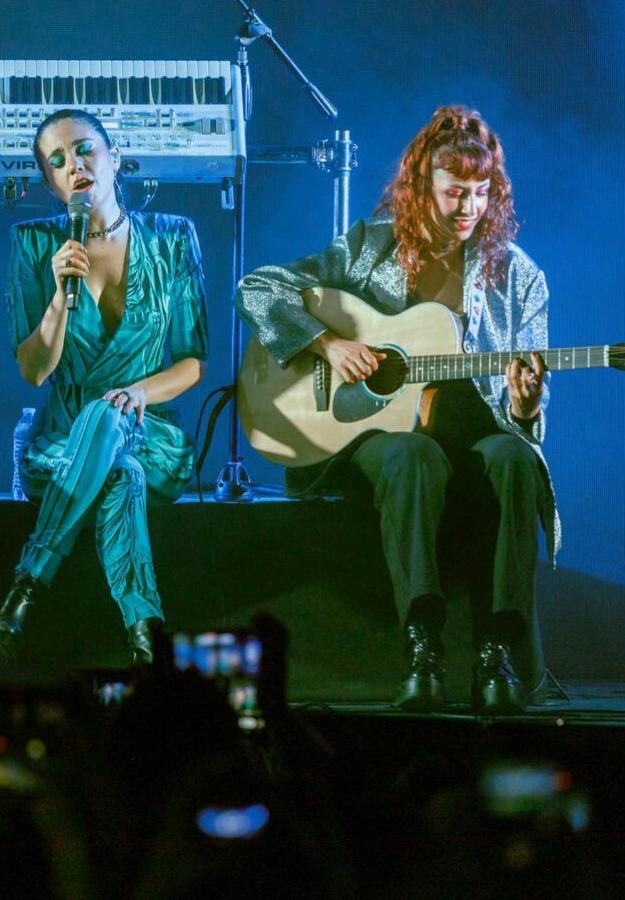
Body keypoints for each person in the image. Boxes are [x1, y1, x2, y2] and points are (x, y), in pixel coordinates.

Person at [235, 105, 556, 714]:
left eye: (481, 194)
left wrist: (526, 403)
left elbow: (528, 415)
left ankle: (497, 654)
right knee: (413, 454)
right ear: (421, 187)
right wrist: (327, 342)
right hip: (379, 435)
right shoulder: (369, 248)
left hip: (476, 434)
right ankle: (422, 649)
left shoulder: (520, 278)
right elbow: (257, 288)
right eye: (454, 192)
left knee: (518, 458)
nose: (468, 208)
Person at [0, 108, 209, 666]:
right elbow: (34, 371)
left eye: (84, 149)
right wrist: (60, 294)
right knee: (118, 471)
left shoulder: (174, 238)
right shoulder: (34, 245)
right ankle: (147, 632)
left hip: (152, 431)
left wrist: (139, 395)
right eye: (57, 161)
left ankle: (26, 588)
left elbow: (193, 364)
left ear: (113, 156)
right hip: (63, 443)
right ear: (52, 184)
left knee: (120, 434)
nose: (74, 165)